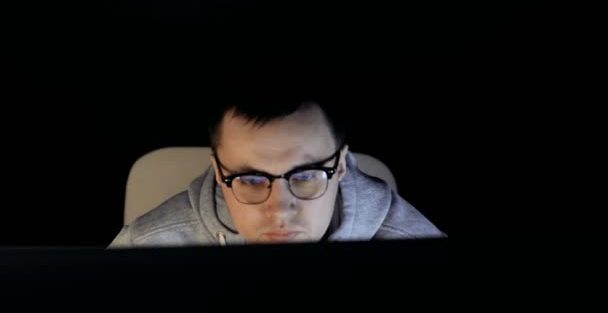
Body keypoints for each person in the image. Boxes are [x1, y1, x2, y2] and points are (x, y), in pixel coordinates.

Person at [109, 98, 445, 247]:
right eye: (252, 180)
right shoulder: (145, 248)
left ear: (340, 166)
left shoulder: (415, 247)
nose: (280, 208)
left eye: (305, 175)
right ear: (217, 169)